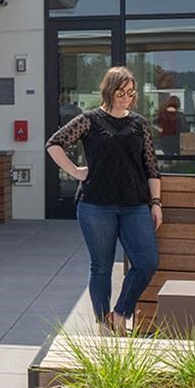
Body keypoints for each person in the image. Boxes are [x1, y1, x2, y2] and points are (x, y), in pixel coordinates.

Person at [46, 66, 162, 335]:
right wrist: (75, 171)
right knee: (101, 267)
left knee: (146, 263)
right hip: (96, 205)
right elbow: (54, 144)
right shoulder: (90, 120)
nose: (126, 98)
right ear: (109, 91)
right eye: (121, 92)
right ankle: (103, 324)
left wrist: (156, 203)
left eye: (131, 93)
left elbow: (151, 167)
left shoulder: (139, 124)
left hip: (135, 206)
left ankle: (119, 313)